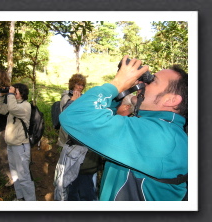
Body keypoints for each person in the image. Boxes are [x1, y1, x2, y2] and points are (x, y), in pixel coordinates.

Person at [59, 55, 188, 201]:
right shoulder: (165, 129)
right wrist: (121, 93)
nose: (144, 83)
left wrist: (117, 83)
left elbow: (74, 116)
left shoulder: (160, 137)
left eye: (153, 81)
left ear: (171, 100)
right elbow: (104, 118)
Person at [54, 74, 102, 201]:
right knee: (70, 172)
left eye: (82, 85)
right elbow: (66, 115)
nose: (80, 87)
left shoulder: (81, 97)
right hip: (68, 140)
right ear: (73, 84)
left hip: (80, 145)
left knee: (77, 179)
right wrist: (74, 101)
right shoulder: (67, 97)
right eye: (78, 84)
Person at [0, 83, 36, 201]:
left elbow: (12, 108)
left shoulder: (25, 106)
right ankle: (20, 198)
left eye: (15, 91)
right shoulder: (14, 104)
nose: (12, 92)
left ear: (21, 93)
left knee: (24, 176)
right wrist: (1, 95)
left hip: (21, 146)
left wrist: (10, 94)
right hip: (11, 145)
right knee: (15, 174)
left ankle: (31, 202)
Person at [0, 69, 13, 187]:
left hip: (7, 127)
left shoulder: (6, 92)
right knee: (0, 151)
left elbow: (6, 110)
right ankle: (0, 173)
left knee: (4, 152)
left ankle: (11, 177)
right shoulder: (0, 91)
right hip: (2, 126)